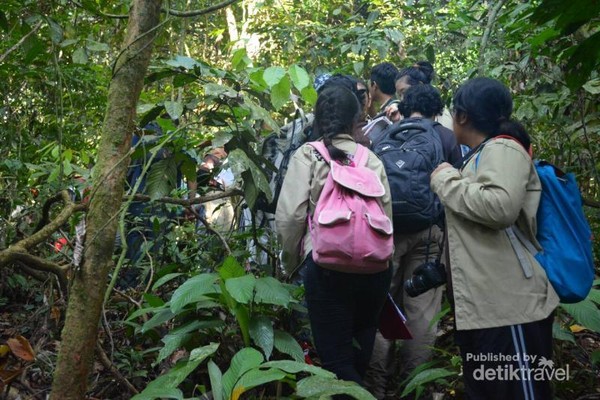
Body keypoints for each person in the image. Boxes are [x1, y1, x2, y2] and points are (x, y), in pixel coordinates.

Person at [430, 77, 559, 399]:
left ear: (461, 116)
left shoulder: (503, 147)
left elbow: (499, 207)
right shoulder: (481, 154)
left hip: (511, 307)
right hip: (486, 307)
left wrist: (445, 178)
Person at [275, 85, 393, 390]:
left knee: (335, 360)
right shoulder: (370, 159)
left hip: (327, 266)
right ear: (356, 118)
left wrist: (291, 261)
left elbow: (290, 217)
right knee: (359, 351)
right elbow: (386, 216)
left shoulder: (309, 155)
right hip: (375, 269)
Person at [365, 83, 462, 399]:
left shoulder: (384, 136)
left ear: (404, 109)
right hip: (428, 233)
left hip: (386, 233)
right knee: (421, 312)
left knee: (381, 307)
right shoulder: (446, 137)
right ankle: (414, 387)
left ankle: (376, 386)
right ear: (437, 110)